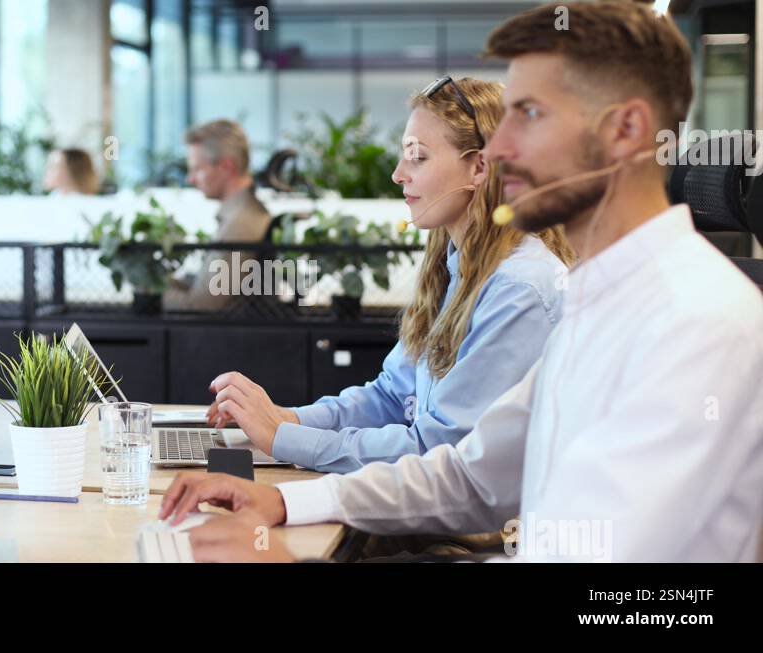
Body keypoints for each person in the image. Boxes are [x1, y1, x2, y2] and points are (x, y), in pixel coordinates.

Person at [159, 1, 763, 563]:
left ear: (627, 130)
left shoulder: (695, 321)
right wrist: (288, 504)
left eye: (529, 115)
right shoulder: (598, 300)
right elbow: (471, 475)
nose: (498, 150)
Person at [203, 79, 573, 474]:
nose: (398, 174)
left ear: (479, 166)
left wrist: (282, 438)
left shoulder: (519, 289)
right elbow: (390, 398)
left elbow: (439, 449)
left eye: (418, 157)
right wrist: (284, 419)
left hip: (483, 531)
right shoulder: (455, 270)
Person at [163, 120, 272, 312]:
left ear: (226, 167)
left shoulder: (241, 223)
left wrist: (150, 294)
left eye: (197, 169)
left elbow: (202, 305)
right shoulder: (239, 215)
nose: (190, 179)